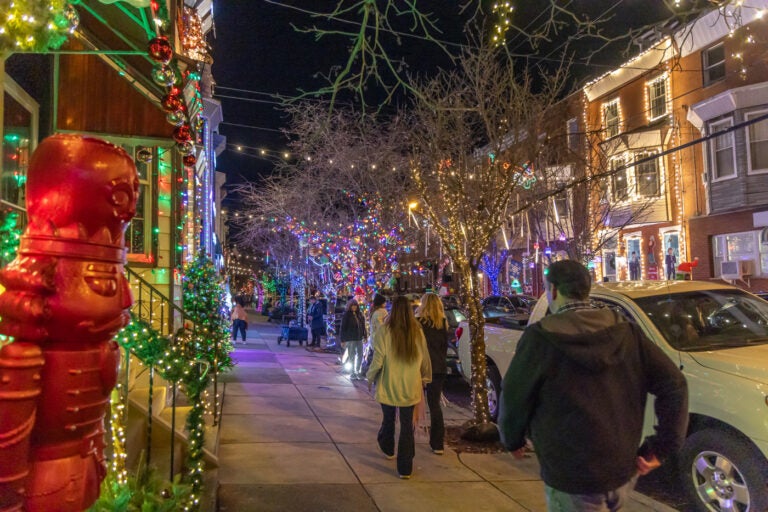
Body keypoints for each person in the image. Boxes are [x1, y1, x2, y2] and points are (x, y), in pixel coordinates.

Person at [498, 260, 688, 512]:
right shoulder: (625, 331)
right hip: (621, 468)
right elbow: (674, 384)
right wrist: (662, 447)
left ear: (553, 290)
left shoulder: (541, 338)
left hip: (571, 473)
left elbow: (514, 397)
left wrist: (512, 439)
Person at [366, 296, 432, 479]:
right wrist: (425, 377)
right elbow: (424, 358)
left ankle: (387, 447)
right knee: (406, 425)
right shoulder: (416, 332)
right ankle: (405, 467)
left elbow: (378, 359)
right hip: (410, 385)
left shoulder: (384, 331)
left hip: (389, 384)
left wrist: (370, 377)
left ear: (392, 309)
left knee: (388, 419)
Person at [415, 292, 450, 455]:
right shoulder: (443, 323)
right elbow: (444, 347)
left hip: (421, 368)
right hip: (439, 368)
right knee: (434, 405)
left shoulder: (419, 322)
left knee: (413, 402)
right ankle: (437, 443)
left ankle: (409, 436)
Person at [339, 298, 367, 378]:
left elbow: (363, 326)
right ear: (350, 306)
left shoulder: (360, 315)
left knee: (360, 355)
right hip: (351, 338)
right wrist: (343, 340)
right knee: (352, 356)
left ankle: (357, 370)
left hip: (359, 338)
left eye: (355, 306)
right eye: (353, 306)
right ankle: (352, 373)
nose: (354, 307)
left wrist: (365, 336)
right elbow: (343, 328)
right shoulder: (347, 315)